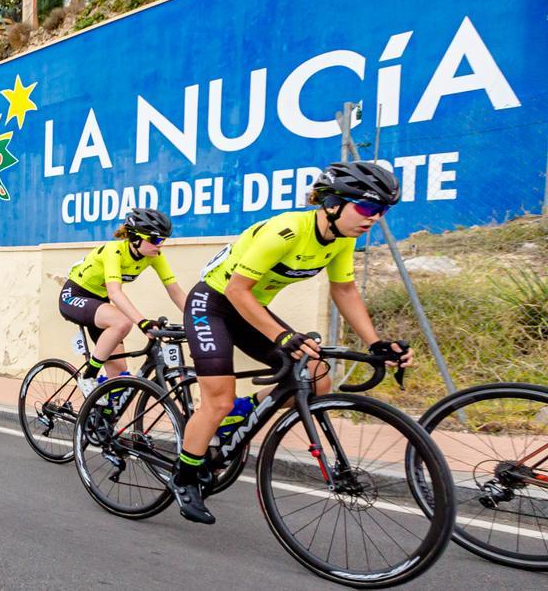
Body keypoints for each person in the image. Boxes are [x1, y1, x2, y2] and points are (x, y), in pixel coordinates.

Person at [172, 161, 413, 525]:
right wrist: (282, 335)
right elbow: (237, 289)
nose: (374, 218)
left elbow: (344, 289)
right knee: (217, 399)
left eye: (382, 210)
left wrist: (375, 341)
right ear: (333, 203)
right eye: (366, 207)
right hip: (213, 305)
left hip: (248, 309)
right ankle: (186, 475)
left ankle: (242, 409)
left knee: (317, 376)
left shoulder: (341, 240)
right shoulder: (285, 231)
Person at [60, 208, 186, 394]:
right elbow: (114, 293)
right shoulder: (114, 251)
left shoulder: (154, 256)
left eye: (163, 240)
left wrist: (198, 320)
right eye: (155, 239)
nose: (160, 245)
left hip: (98, 302)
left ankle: (101, 415)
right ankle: (88, 376)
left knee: (119, 377)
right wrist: (142, 322)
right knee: (122, 322)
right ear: (135, 237)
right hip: (75, 296)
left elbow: (175, 291)